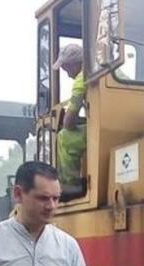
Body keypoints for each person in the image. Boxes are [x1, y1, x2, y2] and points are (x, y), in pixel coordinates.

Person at [53, 43, 87, 186]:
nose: (67, 74)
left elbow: (68, 122)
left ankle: (71, 184)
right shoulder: (110, 71)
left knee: (64, 137)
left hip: (107, 130)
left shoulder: (82, 78)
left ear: (75, 64)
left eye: (66, 69)